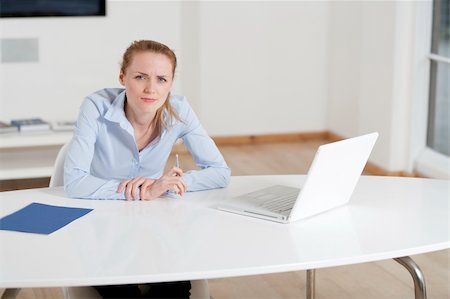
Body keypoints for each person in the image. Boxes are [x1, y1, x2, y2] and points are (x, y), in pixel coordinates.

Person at [64, 40, 231, 298]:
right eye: (140, 76)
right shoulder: (95, 106)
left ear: (171, 83)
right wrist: (144, 191)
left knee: (172, 285)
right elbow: (75, 182)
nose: (151, 88)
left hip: (155, 222)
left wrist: (173, 183)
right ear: (122, 77)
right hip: (102, 220)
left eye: (162, 79)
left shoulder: (179, 110)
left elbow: (219, 171)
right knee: (122, 287)